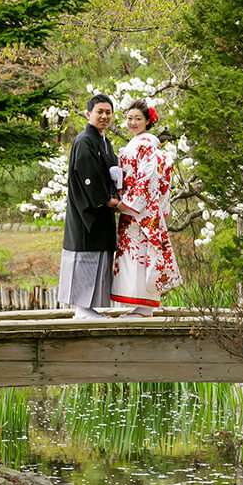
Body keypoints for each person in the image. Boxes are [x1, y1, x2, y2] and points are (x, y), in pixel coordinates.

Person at [111, 98, 182, 317]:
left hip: (140, 211)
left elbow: (147, 178)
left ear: (147, 121)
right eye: (129, 118)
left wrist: (128, 204)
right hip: (134, 210)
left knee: (143, 255)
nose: (132, 122)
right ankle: (142, 305)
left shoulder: (146, 145)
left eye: (138, 119)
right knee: (135, 256)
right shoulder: (136, 144)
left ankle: (146, 307)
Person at [58, 93, 120, 320]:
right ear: (88, 114)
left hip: (101, 211)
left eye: (108, 112)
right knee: (86, 257)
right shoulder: (84, 141)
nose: (104, 116)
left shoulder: (104, 141)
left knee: (100, 257)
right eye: (99, 112)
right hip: (88, 211)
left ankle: (89, 308)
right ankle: (82, 309)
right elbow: (88, 176)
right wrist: (106, 199)